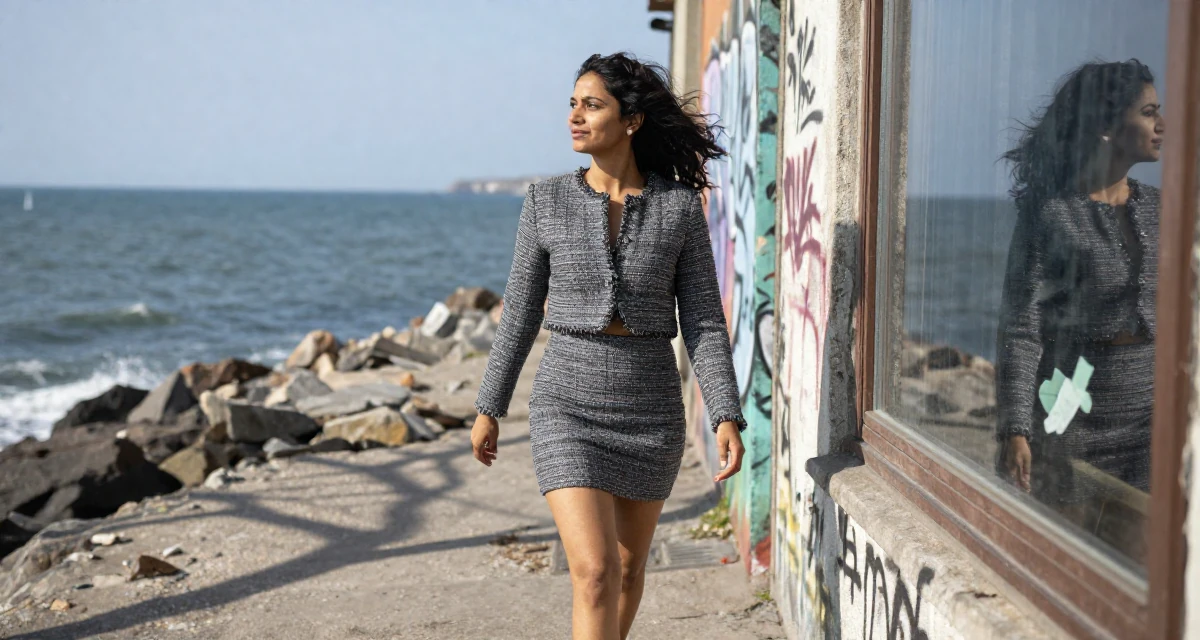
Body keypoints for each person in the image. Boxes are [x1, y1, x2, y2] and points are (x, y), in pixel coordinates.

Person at [470, 52, 747, 639]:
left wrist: (724, 411)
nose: (575, 116)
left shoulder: (677, 208)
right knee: (593, 572)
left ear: (632, 121)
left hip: (649, 408)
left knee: (625, 570)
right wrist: (489, 405)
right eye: (572, 104)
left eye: (591, 105)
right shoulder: (545, 200)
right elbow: (519, 312)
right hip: (566, 403)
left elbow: (702, 318)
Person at [996, 59, 1164, 514]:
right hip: (1075, 423)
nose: (1162, 125)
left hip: (1154, 422)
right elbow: (1021, 326)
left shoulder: (1162, 209)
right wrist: (1015, 429)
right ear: (1107, 127)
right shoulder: (1051, 213)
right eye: (1149, 112)